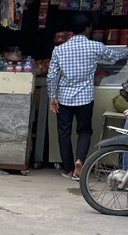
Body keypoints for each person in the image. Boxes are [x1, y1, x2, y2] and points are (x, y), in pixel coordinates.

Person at [47, 14, 128, 178]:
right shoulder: (95, 46)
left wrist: (52, 96)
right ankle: (80, 160)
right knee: (84, 131)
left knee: (64, 133)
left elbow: (51, 75)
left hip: (64, 98)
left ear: (71, 31)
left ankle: (68, 169)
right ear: (88, 29)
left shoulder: (59, 49)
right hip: (85, 98)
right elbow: (115, 57)